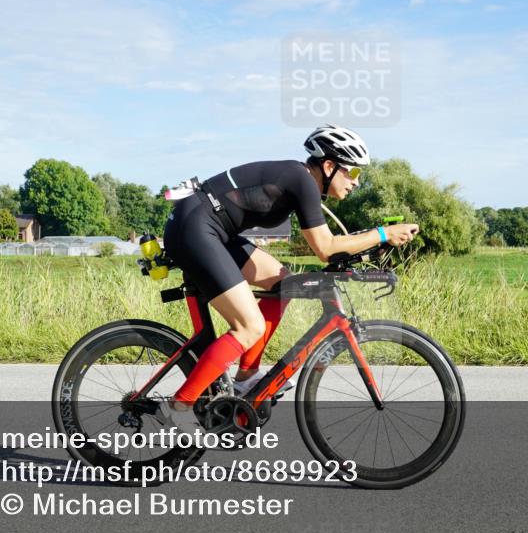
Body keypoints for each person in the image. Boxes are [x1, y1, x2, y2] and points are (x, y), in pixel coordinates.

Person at [158, 124, 420, 426]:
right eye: (354, 173)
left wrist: (372, 240)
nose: (356, 183)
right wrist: (383, 234)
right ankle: (179, 406)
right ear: (330, 166)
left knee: (281, 281)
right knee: (249, 327)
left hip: (209, 227)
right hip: (195, 228)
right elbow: (325, 248)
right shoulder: (302, 181)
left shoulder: (302, 181)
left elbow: (330, 244)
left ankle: (246, 377)